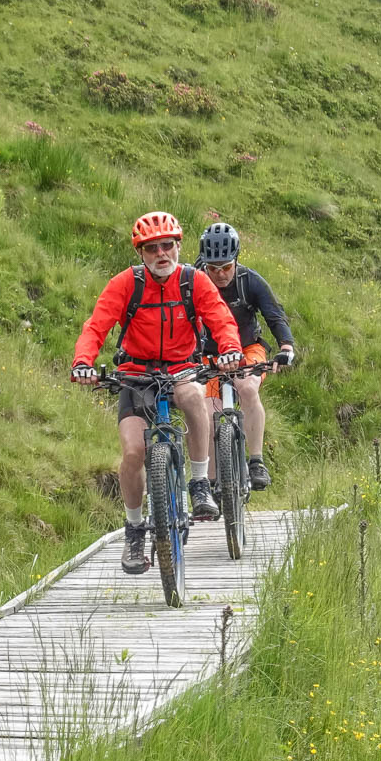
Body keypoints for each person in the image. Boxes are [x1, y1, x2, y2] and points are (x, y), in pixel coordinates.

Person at [71, 212, 242, 575]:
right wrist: (84, 362)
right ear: (141, 253)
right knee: (133, 452)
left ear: (178, 246)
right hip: (136, 375)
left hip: (181, 368)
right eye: (152, 249)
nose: (161, 254)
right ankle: (134, 531)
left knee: (194, 396)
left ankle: (199, 483)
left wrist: (229, 348)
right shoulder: (125, 284)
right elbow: (96, 326)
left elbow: (221, 318)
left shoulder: (193, 281)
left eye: (167, 246)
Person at [195, 221, 295, 491]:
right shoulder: (193, 282)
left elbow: (275, 315)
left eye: (226, 267)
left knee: (248, 387)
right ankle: (212, 484)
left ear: (236, 260)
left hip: (248, 349)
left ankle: (256, 461)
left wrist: (286, 346)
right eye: (213, 268)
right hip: (208, 355)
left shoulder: (249, 280)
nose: (220, 274)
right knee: (208, 410)